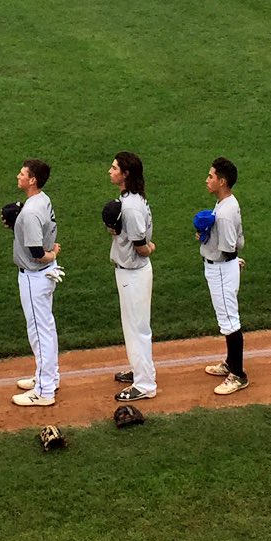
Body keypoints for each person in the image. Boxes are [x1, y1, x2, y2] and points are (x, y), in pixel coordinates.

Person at [9, 160, 62, 408]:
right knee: (46, 329)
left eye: (22, 173)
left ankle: (44, 391)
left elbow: (36, 252)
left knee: (40, 333)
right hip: (45, 275)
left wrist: (51, 254)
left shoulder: (30, 212)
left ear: (32, 180)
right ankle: (49, 377)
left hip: (35, 275)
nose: (18, 175)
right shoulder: (43, 199)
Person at [108, 151, 159, 401]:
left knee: (137, 328)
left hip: (134, 273)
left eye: (115, 167)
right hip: (129, 271)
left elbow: (141, 245)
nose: (110, 170)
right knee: (132, 327)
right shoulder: (130, 199)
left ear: (126, 174)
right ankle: (139, 370)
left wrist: (149, 248)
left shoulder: (131, 206)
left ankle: (145, 384)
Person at [198, 157, 248, 392]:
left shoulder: (226, 212)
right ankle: (230, 363)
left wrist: (208, 238)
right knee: (227, 319)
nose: (207, 180)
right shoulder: (226, 202)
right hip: (222, 267)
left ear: (222, 181)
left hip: (220, 269)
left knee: (229, 321)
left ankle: (238, 375)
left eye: (211, 176)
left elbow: (229, 248)